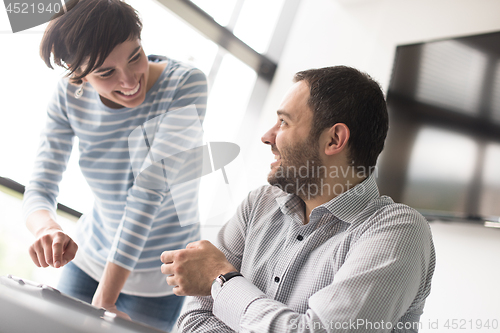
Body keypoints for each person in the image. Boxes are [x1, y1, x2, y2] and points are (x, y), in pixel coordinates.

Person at [160, 66, 436, 332]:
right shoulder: (259, 204)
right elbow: (196, 316)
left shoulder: (398, 231)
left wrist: (222, 280)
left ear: (334, 139)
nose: (267, 136)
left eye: (283, 122)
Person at [22, 0, 207, 331]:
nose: (129, 80)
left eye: (135, 55)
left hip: (159, 276)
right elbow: (41, 185)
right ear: (79, 75)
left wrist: (106, 299)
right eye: (106, 73)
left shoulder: (185, 85)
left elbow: (148, 192)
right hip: (89, 260)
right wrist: (47, 228)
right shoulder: (69, 96)